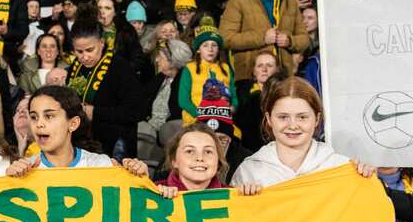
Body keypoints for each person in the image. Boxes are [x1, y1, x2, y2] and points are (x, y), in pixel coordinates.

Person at [231, 76, 376, 192]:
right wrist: (244, 197)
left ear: (317, 119)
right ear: (269, 119)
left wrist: (366, 177)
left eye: (302, 117)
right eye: (283, 117)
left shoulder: (340, 165)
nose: (293, 126)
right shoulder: (249, 172)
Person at [220, 0, 309, 83]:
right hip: (248, 78)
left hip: (283, 77)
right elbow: (225, 38)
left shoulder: (289, 1)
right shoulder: (237, 1)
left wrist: (290, 41)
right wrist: (262, 38)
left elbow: (304, 39)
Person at [65, 21, 145, 159]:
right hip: (82, 142)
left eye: (90, 50)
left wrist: (95, 112)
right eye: (79, 51)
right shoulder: (75, 67)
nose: (85, 57)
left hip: (116, 145)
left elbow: (136, 112)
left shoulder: (120, 68)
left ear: (101, 43)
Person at [151, 122, 257, 198]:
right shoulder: (152, 193)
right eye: (189, 151)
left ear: (218, 160)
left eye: (208, 152)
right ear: (174, 161)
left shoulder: (236, 197)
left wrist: (253, 201)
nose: (200, 158)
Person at [25, 85, 115, 168]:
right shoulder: (24, 169)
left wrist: (128, 174)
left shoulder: (100, 165)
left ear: (73, 124)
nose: (39, 124)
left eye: (49, 116)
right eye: (34, 117)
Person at [176, 17, 236, 124]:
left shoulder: (226, 68)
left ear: (218, 49)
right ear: (198, 49)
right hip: (195, 121)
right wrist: (201, 114)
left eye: (214, 45)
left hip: (223, 120)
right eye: (205, 45)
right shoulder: (189, 68)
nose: (210, 49)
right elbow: (183, 100)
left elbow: (233, 96)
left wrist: (233, 108)